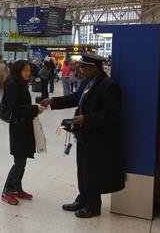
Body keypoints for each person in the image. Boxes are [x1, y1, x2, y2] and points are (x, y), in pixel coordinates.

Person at [41, 53, 124, 218]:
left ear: (93, 68)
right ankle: (83, 198)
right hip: (84, 134)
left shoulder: (108, 86)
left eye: (82, 68)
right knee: (83, 169)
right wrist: (54, 101)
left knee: (92, 171)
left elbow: (112, 114)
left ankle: (93, 205)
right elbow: (75, 98)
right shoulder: (87, 82)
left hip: (98, 136)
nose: (79, 70)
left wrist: (86, 119)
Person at [1, 60, 47, 205]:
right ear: (18, 71)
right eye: (25, 70)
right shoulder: (12, 84)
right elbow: (15, 107)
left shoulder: (21, 83)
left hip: (25, 125)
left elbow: (23, 105)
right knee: (19, 161)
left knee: (23, 159)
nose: (28, 73)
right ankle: (7, 190)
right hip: (18, 126)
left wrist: (35, 109)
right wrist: (35, 109)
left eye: (29, 70)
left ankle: (17, 188)